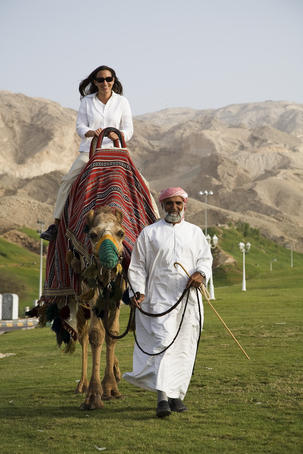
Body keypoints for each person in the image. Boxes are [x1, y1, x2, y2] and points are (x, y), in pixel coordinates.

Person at [123, 187, 213, 417]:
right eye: (169, 204)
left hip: (187, 302)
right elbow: (137, 266)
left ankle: (176, 396)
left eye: (178, 203)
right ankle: (162, 398)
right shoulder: (149, 233)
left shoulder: (195, 233)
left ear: (184, 205)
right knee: (163, 345)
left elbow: (205, 259)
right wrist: (138, 291)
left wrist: (201, 274)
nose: (174, 207)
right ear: (162, 206)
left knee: (183, 348)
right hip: (158, 300)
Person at [41, 65, 133, 241]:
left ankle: (154, 219)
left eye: (108, 79)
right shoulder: (87, 102)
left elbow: (129, 129)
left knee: (140, 181)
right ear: (94, 82)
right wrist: (91, 132)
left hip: (115, 150)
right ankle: (56, 224)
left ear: (114, 81)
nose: (105, 83)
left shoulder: (122, 102)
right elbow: (80, 126)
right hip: (90, 151)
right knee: (67, 180)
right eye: (100, 79)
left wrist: (118, 134)